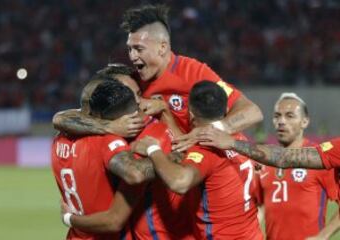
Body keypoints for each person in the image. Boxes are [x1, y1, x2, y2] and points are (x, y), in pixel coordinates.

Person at [52, 4, 263, 149]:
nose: (132, 56)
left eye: (139, 49)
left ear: (163, 47)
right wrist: (108, 127)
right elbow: (63, 118)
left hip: (202, 167)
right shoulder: (131, 83)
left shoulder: (194, 72)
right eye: (129, 49)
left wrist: (211, 131)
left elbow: (252, 112)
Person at [131, 81, 263, 239]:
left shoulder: (206, 149)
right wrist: (165, 111)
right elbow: (188, 146)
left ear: (191, 114)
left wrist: (153, 149)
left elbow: (180, 182)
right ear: (226, 110)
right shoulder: (238, 139)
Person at [52, 79, 173, 239]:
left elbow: (60, 119)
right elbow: (135, 174)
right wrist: (170, 159)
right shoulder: (106, 141)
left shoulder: (59, 139)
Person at [253, 93, 339, 240]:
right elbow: (260, 207)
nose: (281, 121)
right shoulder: (265, 162)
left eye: (289, 116)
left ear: (304, 122)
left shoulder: (319, 161)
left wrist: (322, 236)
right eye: (277, 116)